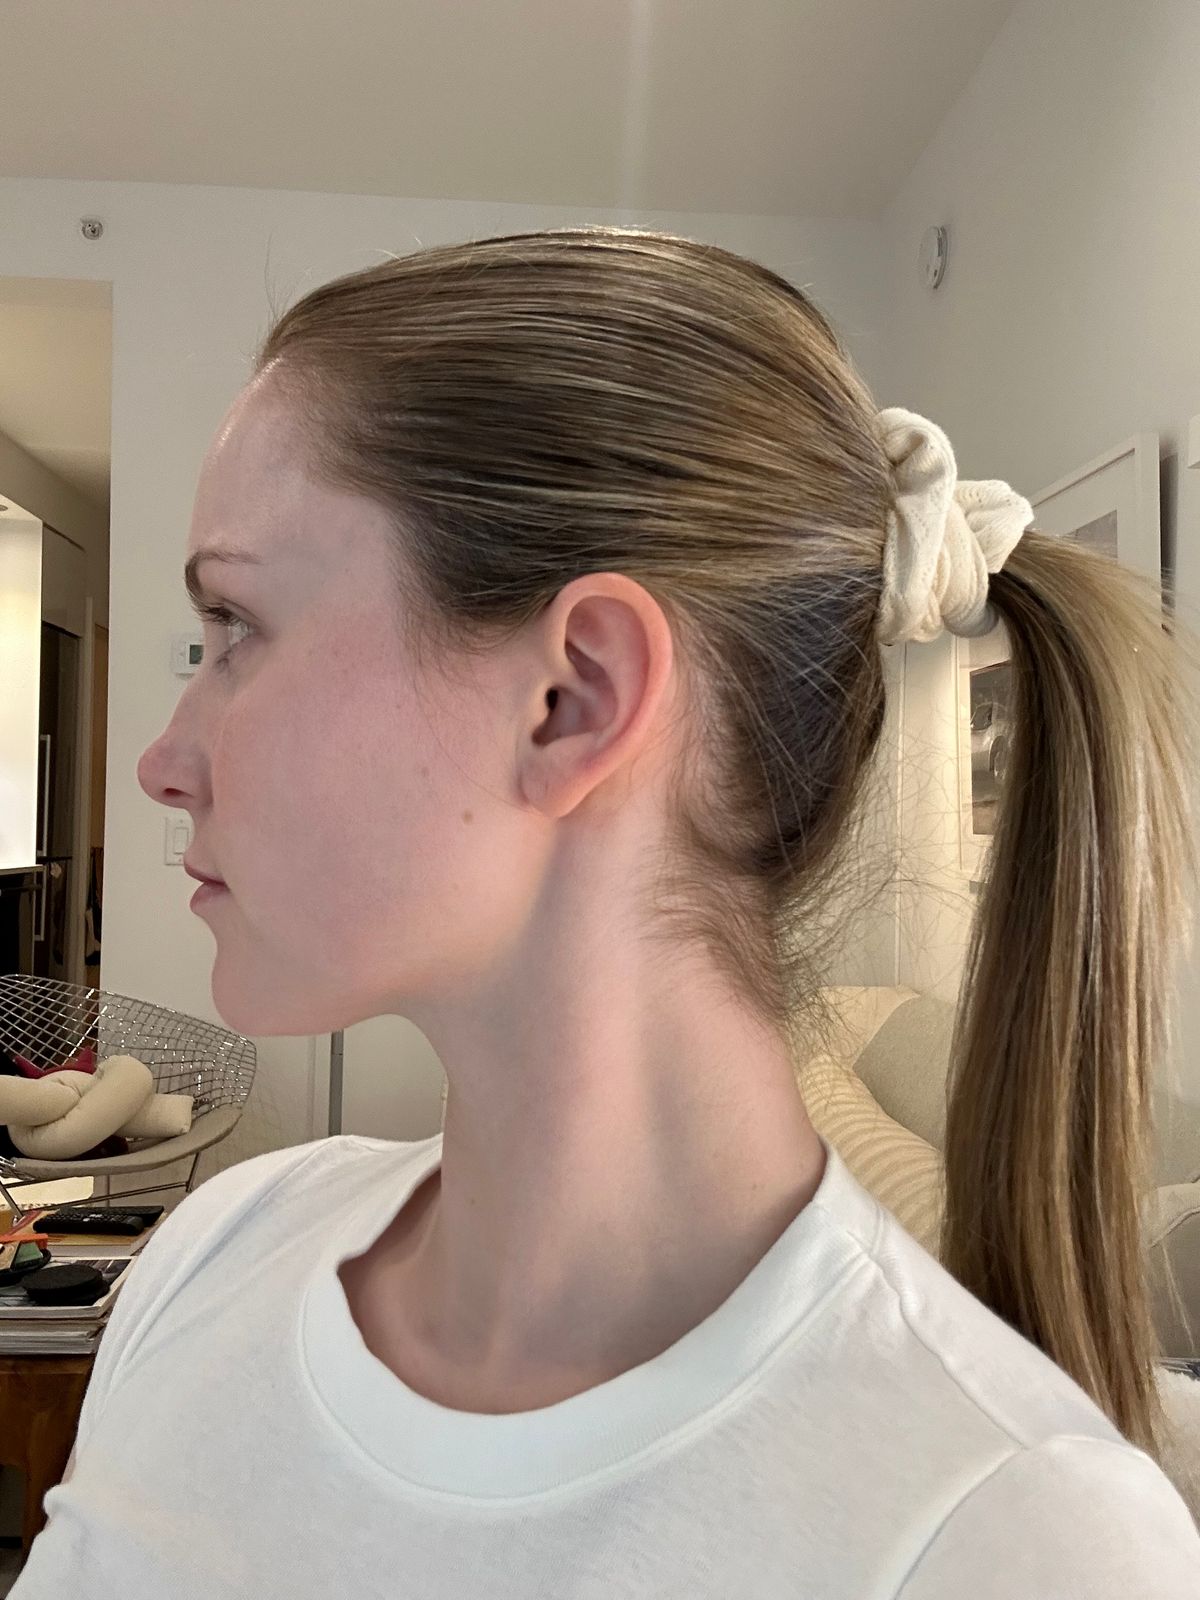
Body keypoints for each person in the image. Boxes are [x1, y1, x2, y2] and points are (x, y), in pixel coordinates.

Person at [13, 226, 1200, 1596]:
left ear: (571, 698)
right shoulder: (210, 1258)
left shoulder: (1017, 1539)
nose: (163, 762)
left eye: (237, 626)